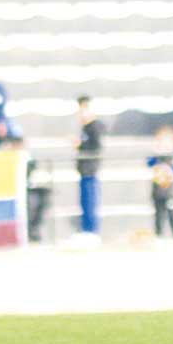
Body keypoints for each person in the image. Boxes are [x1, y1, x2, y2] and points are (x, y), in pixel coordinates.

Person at [71, 95, 104, 248]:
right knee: (84, 201)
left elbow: (95, 148)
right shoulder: (85, 127)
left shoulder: (94, 127)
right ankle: (86, 230)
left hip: (90, 169)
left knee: (90, 200)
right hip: (83, 170)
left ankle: (92, 231)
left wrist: (80, 145)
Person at [147, 125, 173, 238]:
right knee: (158, 214)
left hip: (170, 192)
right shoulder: (155, 158)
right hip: (157, 191)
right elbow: (149, 164)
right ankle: (159, 234)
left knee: (172, 213)